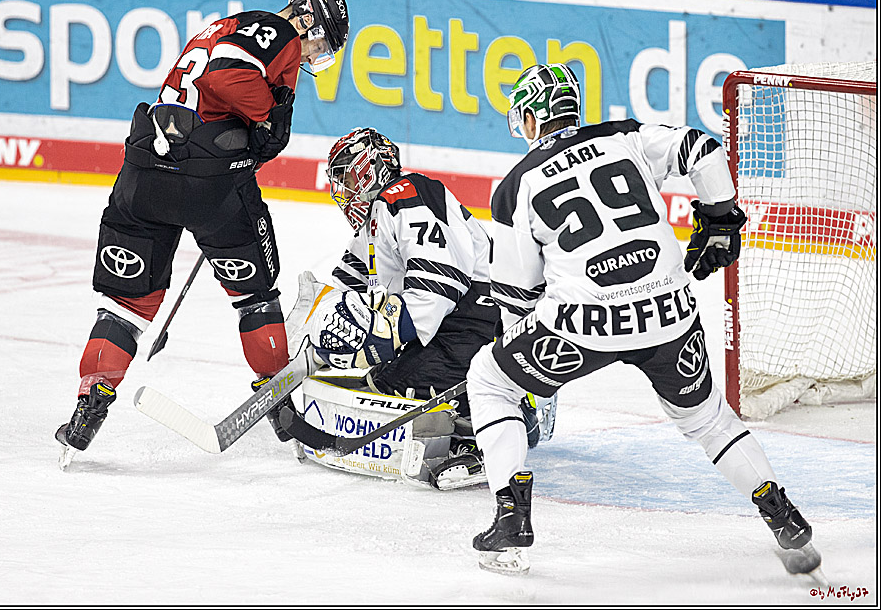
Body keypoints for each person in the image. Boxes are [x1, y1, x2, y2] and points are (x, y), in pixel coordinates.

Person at [466, 63, 822, 577]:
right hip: (671, 313)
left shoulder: (514, 186)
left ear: (530, 118)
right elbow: (704, 149)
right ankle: (782, 516)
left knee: (489, 380)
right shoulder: (623, 136)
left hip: (580, 324)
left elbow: (517, 291)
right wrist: (720, 218)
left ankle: (510, 516)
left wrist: (524, 362)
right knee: (709, 421)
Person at [55, 0, 350, 456]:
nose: (316, 54)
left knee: (126, 304)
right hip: (208, 180)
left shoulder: (222, 28)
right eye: (323, 43)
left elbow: (204, 86)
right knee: (255, 296)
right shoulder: (279, 32)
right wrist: (268, 117)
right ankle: (282, 407)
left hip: (145, 170)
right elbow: (224, 80)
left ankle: (90, 405)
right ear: (309, 21)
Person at [285, 127, 556, 489]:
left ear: (371, 167)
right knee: (380, 383)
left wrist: (385, 333)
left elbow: (440, 283)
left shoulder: (407, 194)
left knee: (401, 389)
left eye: (347, 177)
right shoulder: (373, 224)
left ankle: (511, 414)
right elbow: (345, 292)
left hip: (485, 317)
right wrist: (314, 336)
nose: (341, 191)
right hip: (459, 322)